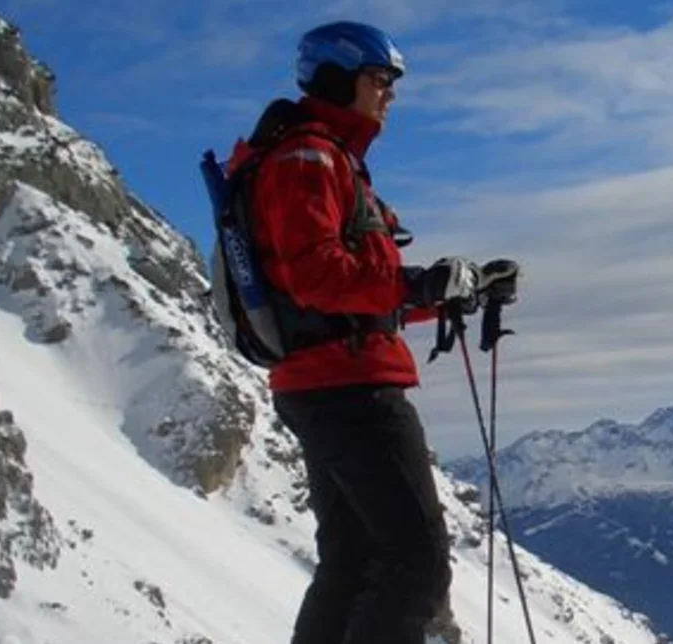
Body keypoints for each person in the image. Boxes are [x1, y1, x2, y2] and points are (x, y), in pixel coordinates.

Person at [226, 20, 518, 644]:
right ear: (337, 76)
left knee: (355, 560)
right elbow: (317, 276)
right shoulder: (309, 157)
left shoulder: (322, 156)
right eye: (378, 79)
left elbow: (355, 294)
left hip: (322, 378)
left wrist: (444, 294)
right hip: (350, 387)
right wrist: (417, 288)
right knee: (416, 564)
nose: (389, 93)